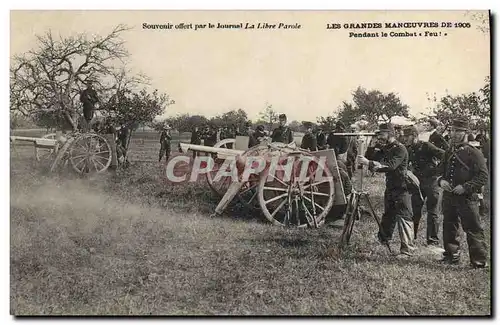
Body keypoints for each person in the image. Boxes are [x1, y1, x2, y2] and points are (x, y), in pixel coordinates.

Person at [436, 117, 488, 268]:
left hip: (467, 198)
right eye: (453, 130)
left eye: (458, 131)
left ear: (466, 132)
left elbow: (483, 176)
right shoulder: (449, 151)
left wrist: (465, 187)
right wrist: (441, 181)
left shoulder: (474, 153)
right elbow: (440, 170)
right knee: (449, 226)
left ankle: (479, 261)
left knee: (473, 229)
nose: (454, 134)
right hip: (449, 196)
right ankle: (452, 255)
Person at [358, 123, 415, 257]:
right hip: (390, 187)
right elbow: (372, 157)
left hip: (402, 188)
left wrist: (369, 164)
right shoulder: (385, 147)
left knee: (404, 217)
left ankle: (407, 250)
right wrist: (372, 145)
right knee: (389, 215)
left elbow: (390, 166)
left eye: (381, 134)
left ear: (390, 134)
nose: (379, 136)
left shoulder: (400, 149)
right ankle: (383, 241)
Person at [403, 125, 445, 246]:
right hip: (417, 182)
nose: (405, 139)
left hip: (432, 182)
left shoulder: (426, 146)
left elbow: (444, 155)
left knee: (433, 211)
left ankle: (432, 240)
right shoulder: (409, 149)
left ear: (415, 136)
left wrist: (438, 172)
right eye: (404, 136)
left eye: (407, 136)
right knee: (415, 210)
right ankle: (412, 237)